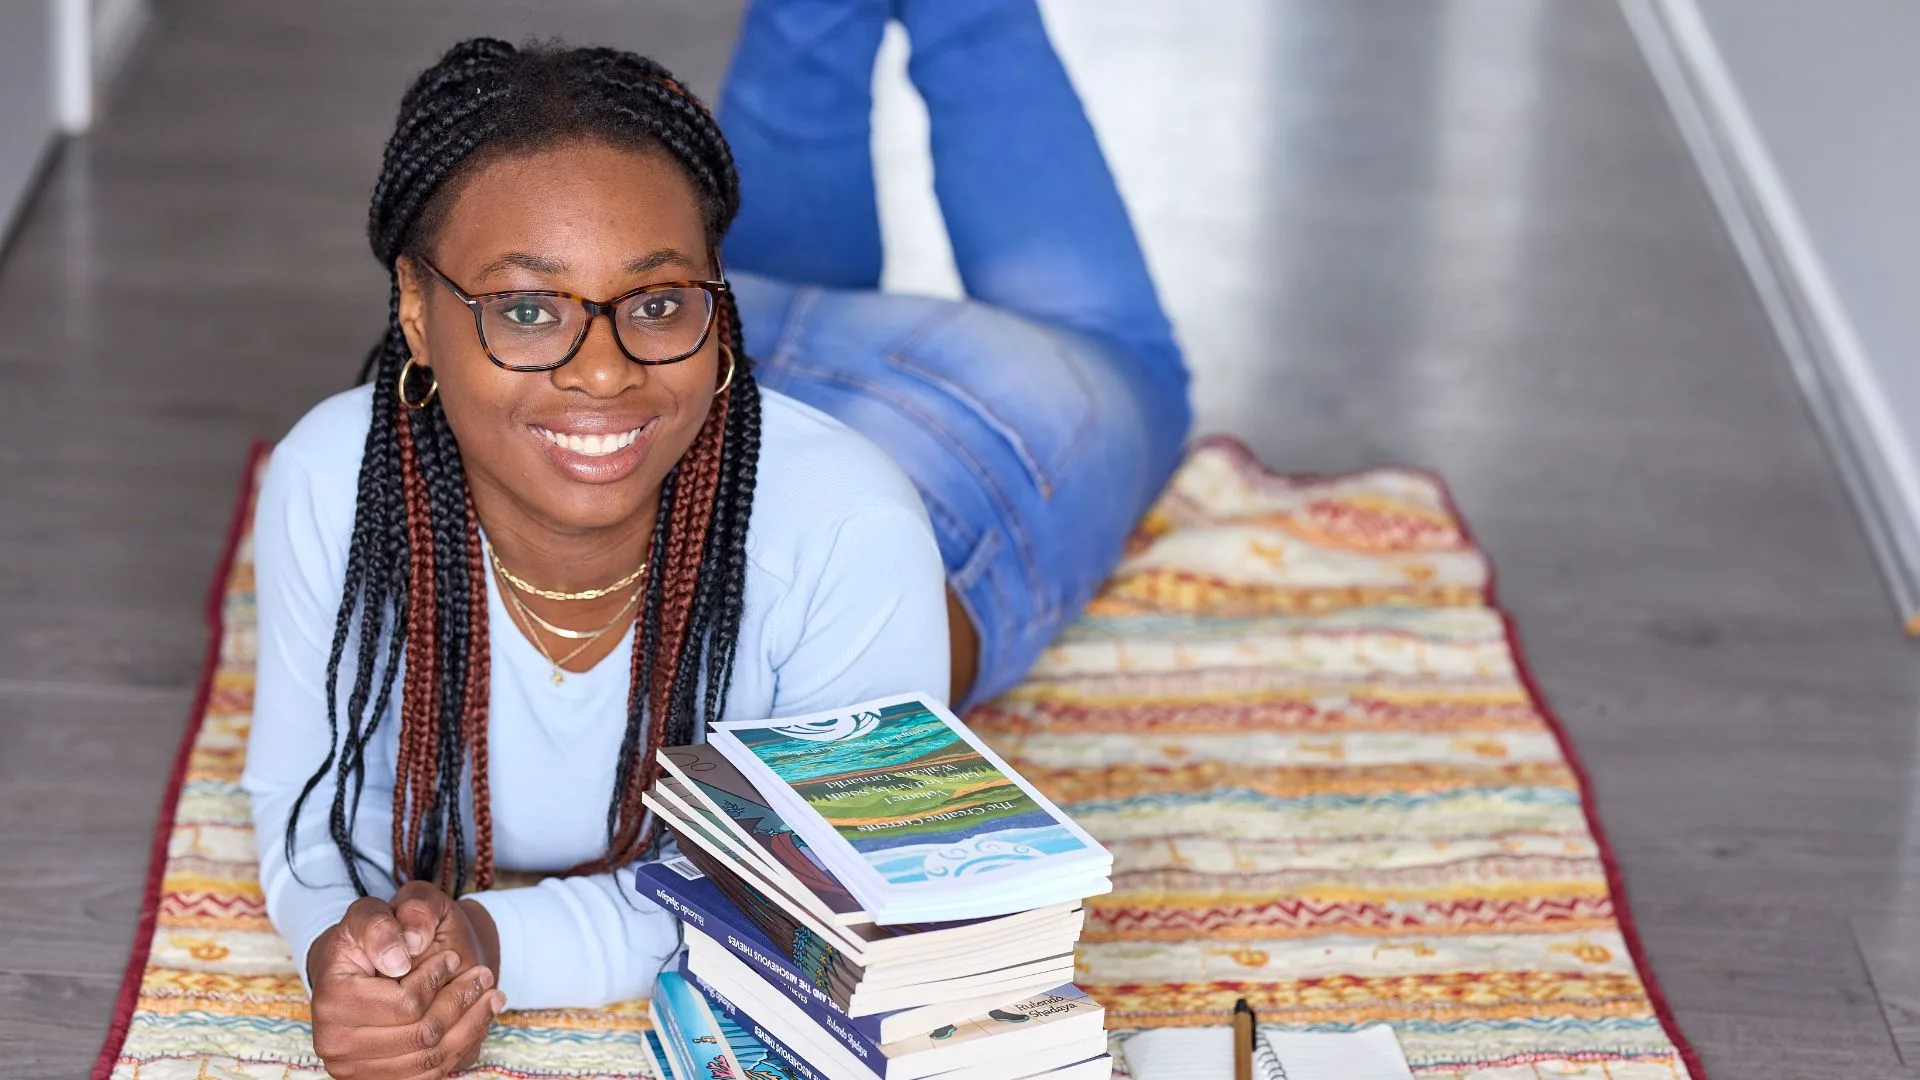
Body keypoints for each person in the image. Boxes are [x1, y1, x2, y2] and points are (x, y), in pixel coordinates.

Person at [239, 0, 1190, 1075]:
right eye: (523, 309)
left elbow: (810, 904)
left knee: (1123, 357)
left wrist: (492, 941)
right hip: (693, 383)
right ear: (414, 308)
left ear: (705, 289)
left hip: (974, 420)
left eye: (659, 294)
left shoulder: (849, 523)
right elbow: (304, 794)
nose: (596, 366)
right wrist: (343, 941)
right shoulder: (337, 479)